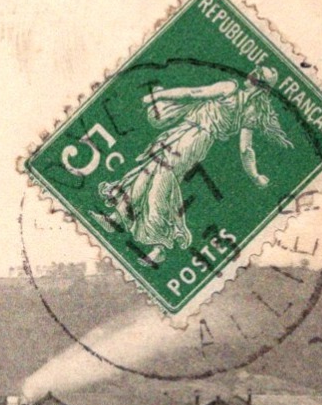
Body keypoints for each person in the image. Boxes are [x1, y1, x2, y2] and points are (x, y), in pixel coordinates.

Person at [93, 65, 291, 266]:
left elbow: (191, 93)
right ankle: (117, 218)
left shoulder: (229, 87)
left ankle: (159, 245)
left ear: (254, 79)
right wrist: (255, 175)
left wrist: (155, 98)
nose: (250, 74)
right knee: (149, 171)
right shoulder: (252, 110)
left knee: (161, 183)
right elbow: (245, 149)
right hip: (194, 138)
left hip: (191, 137)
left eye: (255, 73)